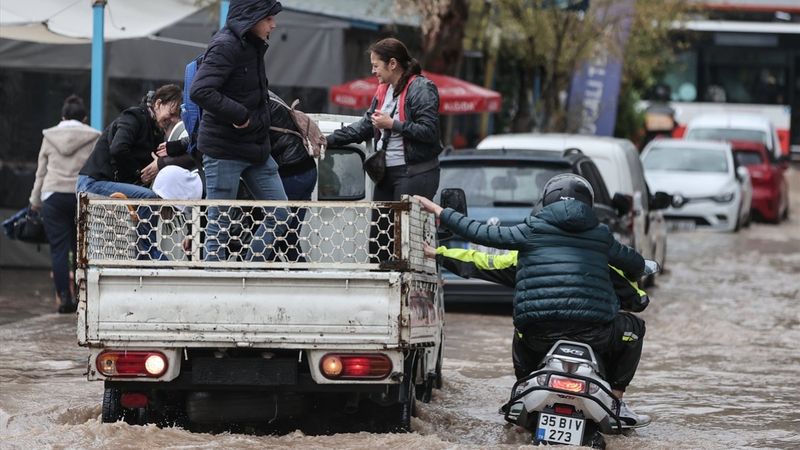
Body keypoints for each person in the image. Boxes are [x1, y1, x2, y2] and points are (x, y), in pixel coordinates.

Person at [416, 174, 651, 426]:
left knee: (520, 332)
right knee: (634, 329)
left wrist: (440, 224)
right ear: (588, 204)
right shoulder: (601, 237)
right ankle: (616, 399)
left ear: (545, 202)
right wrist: (644, 271)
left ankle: (521, 391)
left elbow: (481, 236)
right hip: (595, 334)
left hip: (538, 336)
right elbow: (635, 267)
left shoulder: (531, 230)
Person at [189, 0, 288, 262]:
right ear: (252, 17)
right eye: (269, 18)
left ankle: (248, 272)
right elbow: (200, 91)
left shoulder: (253, 45)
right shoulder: (225, 45)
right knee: (219, 227)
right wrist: (240, 114)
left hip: (256, 148)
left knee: (281, 213)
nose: (273, 24)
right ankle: (216, 290)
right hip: (224, 150)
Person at [326, 37, 442, 260]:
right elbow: (365, 126)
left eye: (376, 65)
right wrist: (328, 140)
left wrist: (393, 124)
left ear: (392, 64)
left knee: (404, 243)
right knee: (378, 244)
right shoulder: (383, 91)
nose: (373, 71)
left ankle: (405, 289)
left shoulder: (421, 88)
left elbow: (429, 132)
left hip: (414, 173)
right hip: (387, 174)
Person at [29, 95, 100, 313]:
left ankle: (64, 299)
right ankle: (83, 298)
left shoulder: (49, 136)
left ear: (62, 116)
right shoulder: (94, 136)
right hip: (82, 196)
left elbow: (41, 171)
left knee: (59, 250)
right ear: (85, 117)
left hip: (53, 195)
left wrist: (35, 201)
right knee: (82, 250)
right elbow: (98, 168)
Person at [77, 84, 182, 199]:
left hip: (103, 182)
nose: (174, 120)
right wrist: (139, 174)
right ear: (158, 104)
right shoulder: (134, 117)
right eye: (171, 114)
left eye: (177, 116)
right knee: (149, 199)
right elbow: (118, 148)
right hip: (92, 183)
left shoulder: (155, 128)